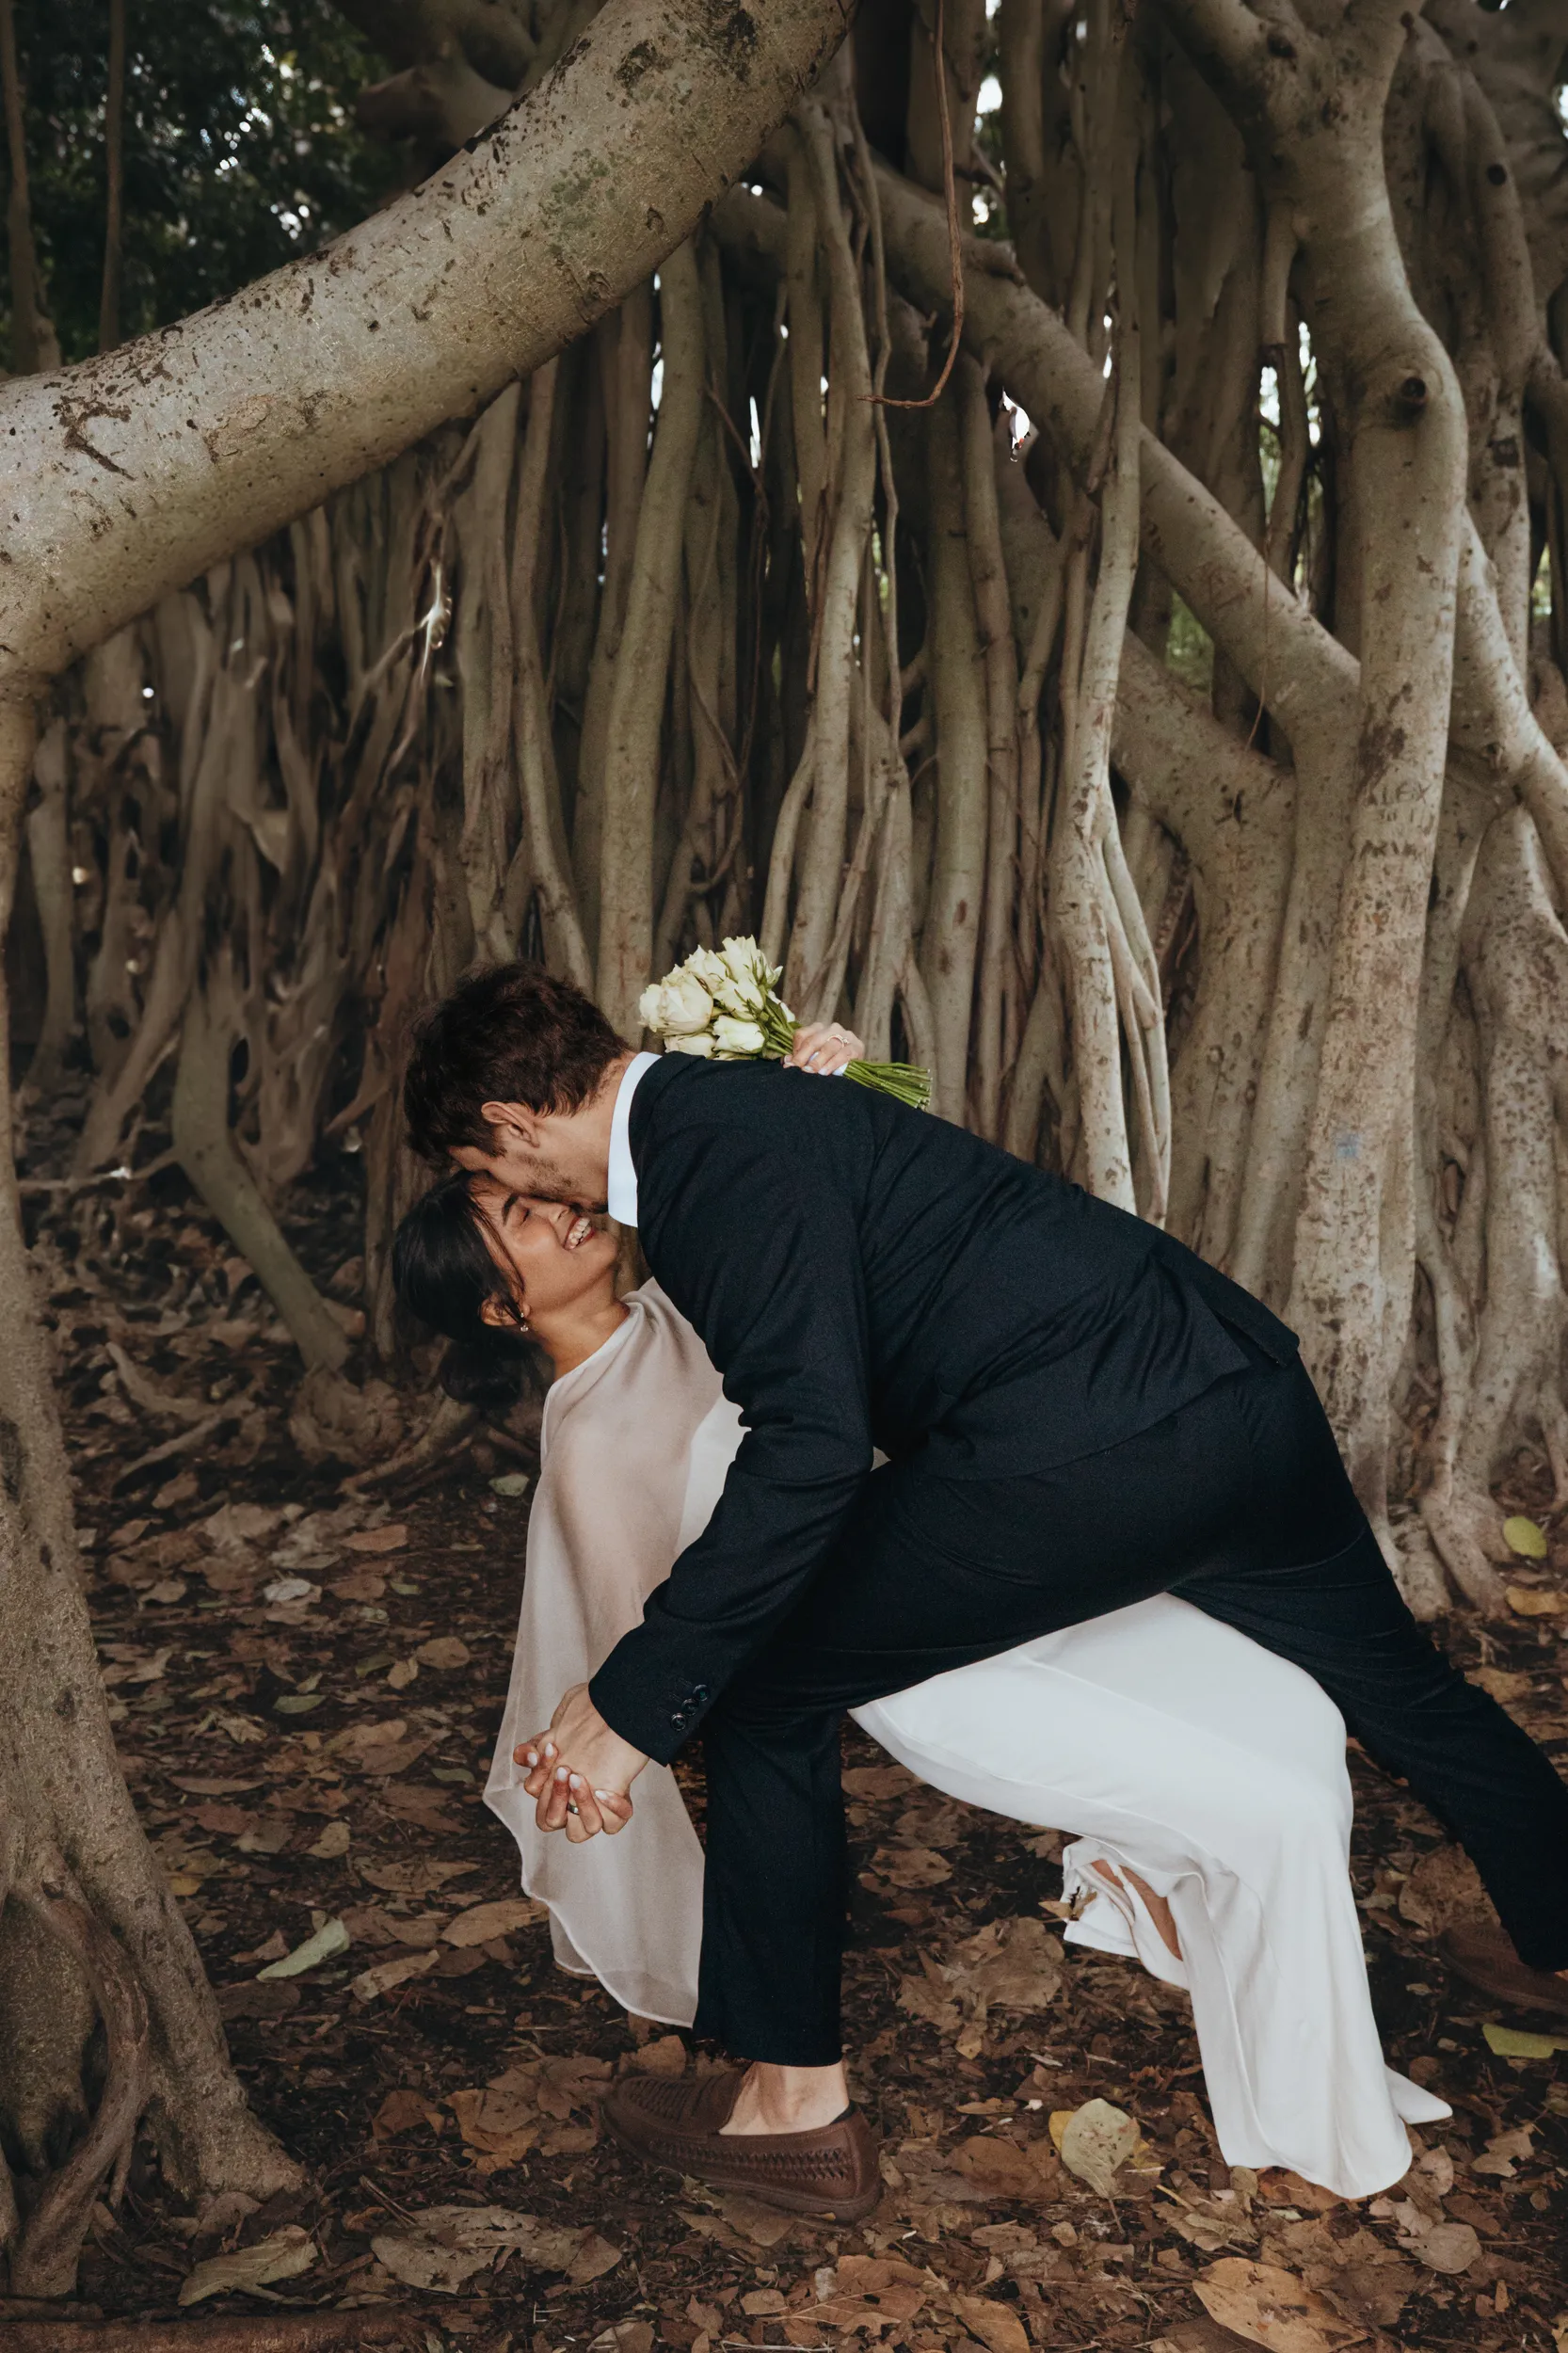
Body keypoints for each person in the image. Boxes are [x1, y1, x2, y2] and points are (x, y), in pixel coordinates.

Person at [399, 961, 1568, 2214]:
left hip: (1084, 1461)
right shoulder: (735, 1115)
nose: (513, 1191)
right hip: (1234, 1386)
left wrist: (636, 1703)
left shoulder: (704, 1167)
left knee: (762, 1695)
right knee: (1400, 1685)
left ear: (514, 1128)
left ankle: (792, 2103)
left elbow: (807, 1445)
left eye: (492, 1174)